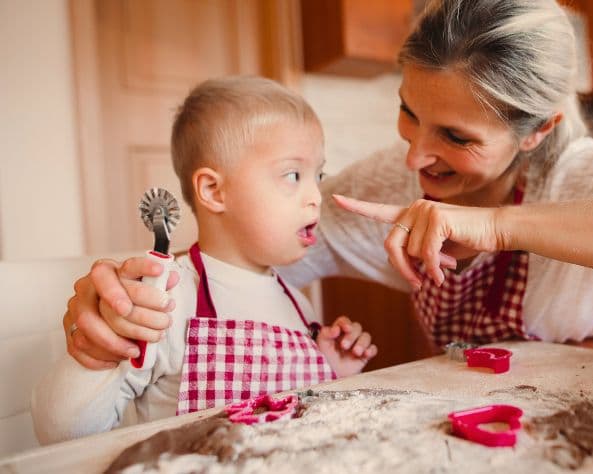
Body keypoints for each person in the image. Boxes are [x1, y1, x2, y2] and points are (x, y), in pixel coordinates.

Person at [62, 0, 593, 370]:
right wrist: (128, 296)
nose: (416, 157)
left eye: (455, 137)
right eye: (408, 113)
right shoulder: (386, 183)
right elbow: (234, 256)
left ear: (539, 129)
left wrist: (497, 228)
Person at [31, 76, 377, 444]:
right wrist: (97, 355)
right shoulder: (166, 303)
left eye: (318, 175)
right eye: (293, 175)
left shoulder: (298, 302)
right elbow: (61, 432)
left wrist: (328, 368)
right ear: (214, 191)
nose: (316, 196)